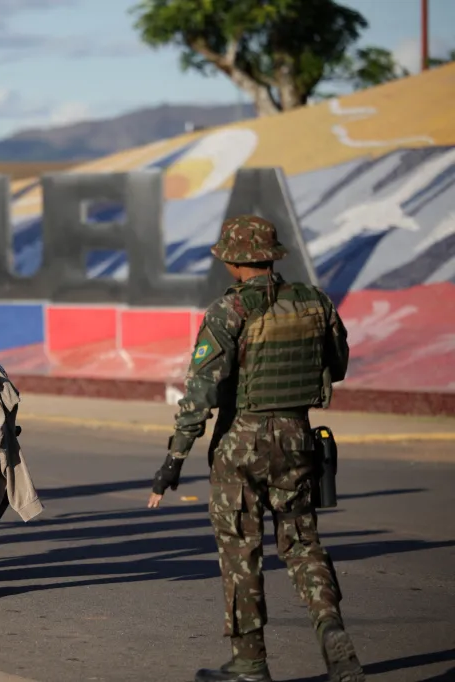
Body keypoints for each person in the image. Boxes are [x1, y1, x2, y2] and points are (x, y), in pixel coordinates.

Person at [146, 215, 363, 682]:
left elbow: (201, 392)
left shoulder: (227, 313)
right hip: (297, 436)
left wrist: (174, 458)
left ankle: (250, 662)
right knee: (303, 542)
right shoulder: (314, 302)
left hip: (240, 445)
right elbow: (338, 365)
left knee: (241, 551)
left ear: (233, 260)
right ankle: (330, 626)